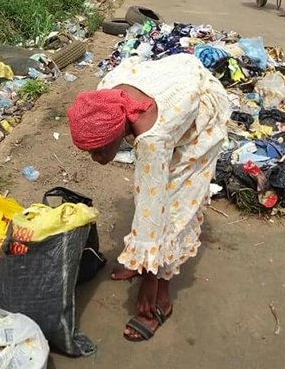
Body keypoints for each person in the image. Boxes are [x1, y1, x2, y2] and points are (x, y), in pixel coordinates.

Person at [67, 54, 230, 341]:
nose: (95, 158)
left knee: (178, 206)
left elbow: (153, 208)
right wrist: (138, 256)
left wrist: (149, 280)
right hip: (177, 85)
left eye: (100, 150)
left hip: (200, 117)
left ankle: (161, 298)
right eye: (89, 151)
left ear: (120, 131)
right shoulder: (104, 95)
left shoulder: (152, 138)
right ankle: (144, 262)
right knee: (151, 191)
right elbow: (146, 195)